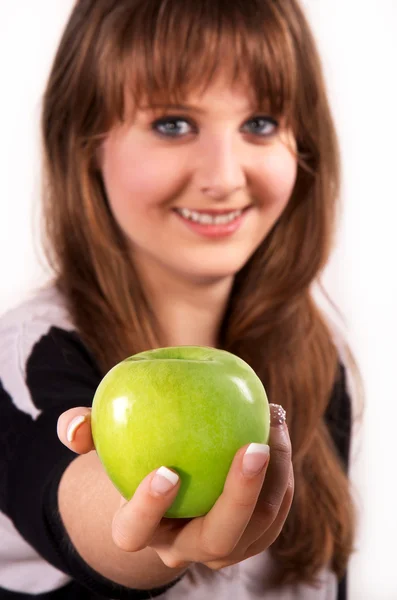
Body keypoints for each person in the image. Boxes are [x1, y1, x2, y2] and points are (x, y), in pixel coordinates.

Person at [0, 0, 359, 598]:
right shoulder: (27, 357)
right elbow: (80, 500)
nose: (223, 176)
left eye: (261, 124)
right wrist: (149, 531)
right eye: (172, 124)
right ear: (85, 142)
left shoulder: (318, 356)